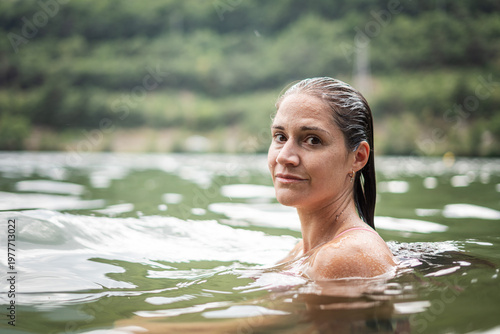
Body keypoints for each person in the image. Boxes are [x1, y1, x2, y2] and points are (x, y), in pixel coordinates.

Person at [268, 77, 396, 280]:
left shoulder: (344, 256)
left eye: (312, 140)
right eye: (280, 137)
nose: (284, 156)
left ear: (358, 157)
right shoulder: (302, 251)